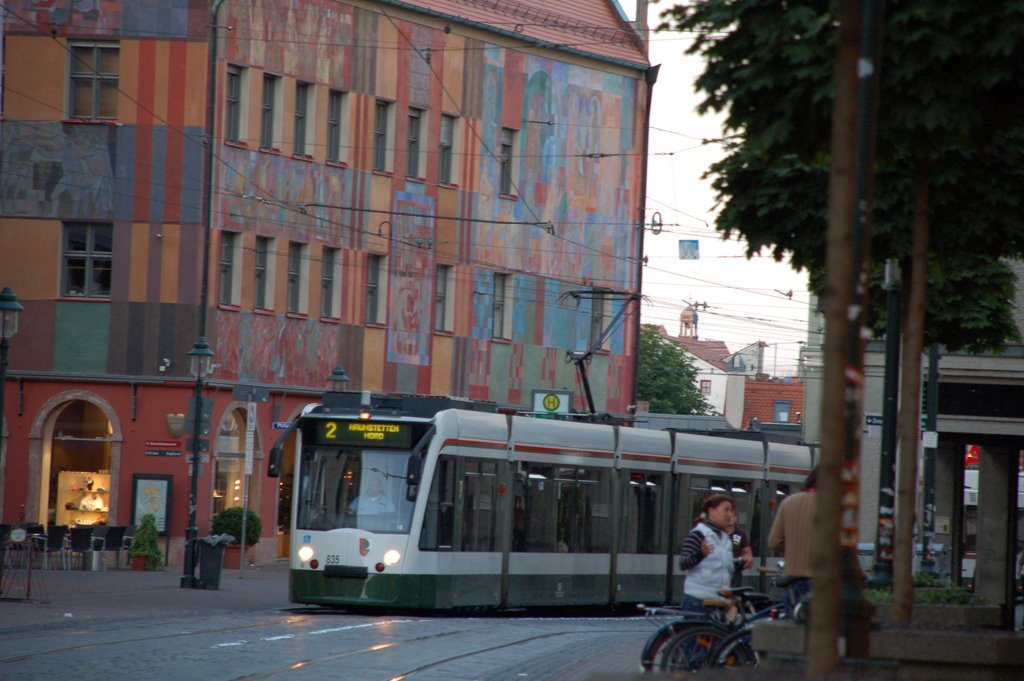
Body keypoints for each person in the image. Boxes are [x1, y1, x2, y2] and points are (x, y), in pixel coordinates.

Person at [768, 466, 817, 611]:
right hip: (821, 581)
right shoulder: (834, 505)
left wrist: (796, 549)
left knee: (794, 626)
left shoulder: (788, 502)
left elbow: (774, 542)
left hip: (792, 579)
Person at [678, 494, 737, 612]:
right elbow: (683, 564)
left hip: (719, 600)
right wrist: (701, 554)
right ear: (711, 511)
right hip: (698, 600)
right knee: (699, 631)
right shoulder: (698, 534)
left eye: (731, 511)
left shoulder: (725, 538)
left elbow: (724, 567)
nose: (730, 515)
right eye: (726, 510)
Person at [726, 519, 753, 588]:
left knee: (734, 593)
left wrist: (746, 558)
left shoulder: (738, 535)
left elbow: (748, 553)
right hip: (719, 570)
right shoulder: (717, 533)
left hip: (735, 570)